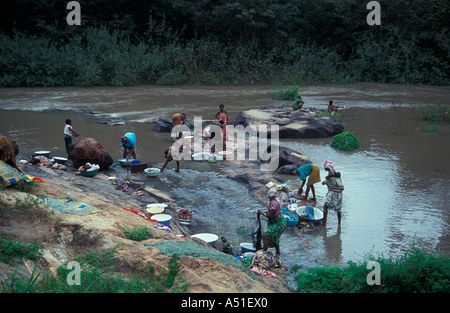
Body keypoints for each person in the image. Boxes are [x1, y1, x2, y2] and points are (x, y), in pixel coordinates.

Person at [257, 188, 286, 255]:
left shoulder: (273, 204)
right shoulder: (274, 201)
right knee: (275, 236)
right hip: (279, 221)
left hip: (278, 223)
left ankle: (264, 253)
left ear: (269, 196)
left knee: (266, 235)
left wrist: (261, 213)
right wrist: (264, 212)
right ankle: (278, 253)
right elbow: (270, 212)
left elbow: (270, 215)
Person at [322, 160, 344, 226]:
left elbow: (331, 174)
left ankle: (324, 223)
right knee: (339, 208)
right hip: (339, 193)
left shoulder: (330, 171)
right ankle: (339, 223)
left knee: (325, 206)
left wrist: (327, 178)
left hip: (334, 193)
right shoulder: (336, 173)